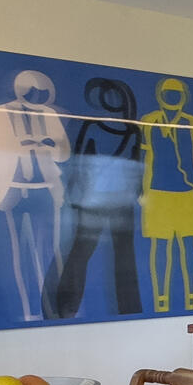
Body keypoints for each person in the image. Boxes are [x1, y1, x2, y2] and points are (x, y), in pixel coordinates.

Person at [48, 76, 144, 319]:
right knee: (121, 258)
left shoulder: (93, 126)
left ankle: (65, 308)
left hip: (94, 201)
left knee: (80, 254)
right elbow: (136, 166)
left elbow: (80, 164)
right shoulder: (132, 130)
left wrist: (73, 195)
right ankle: (129, 309)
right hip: (121, 202)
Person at [0, 69, 70, 322]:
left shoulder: (49, 114)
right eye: (33, 93)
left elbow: (63, 154)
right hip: (12, 188)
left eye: (42, 95)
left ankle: (50, 311)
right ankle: (27, 312)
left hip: (45, 190)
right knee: (18, 255)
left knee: (48, 254)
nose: (37, 99)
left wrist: (46, 145)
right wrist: (22, 145)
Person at [138, 77, 193, 313]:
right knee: (159, 248)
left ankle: (192, 297)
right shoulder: (149, 122)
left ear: (183, 97)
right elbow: (141, 159)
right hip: (157, 195)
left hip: (187, 195)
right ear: (160, 95)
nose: (172, 97)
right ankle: (161, 300)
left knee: (190, 246)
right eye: (168, 93)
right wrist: (142, 193)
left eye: (176, 93)